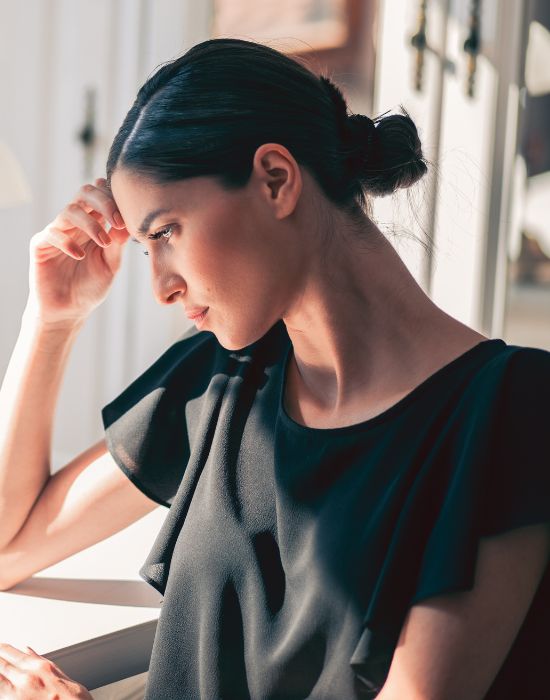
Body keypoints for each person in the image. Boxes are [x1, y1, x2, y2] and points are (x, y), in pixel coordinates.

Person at [0, 36, 549, 700]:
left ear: (275, 180)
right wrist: (51, 321)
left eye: (167, 232)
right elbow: (10, 544)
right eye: (146, 249)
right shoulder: (223, 375)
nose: (161, 288)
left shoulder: (514, 410)